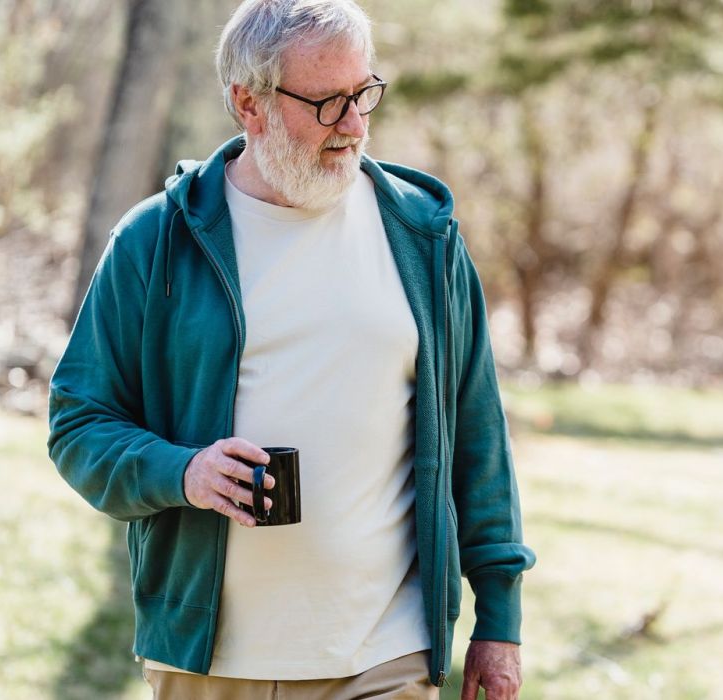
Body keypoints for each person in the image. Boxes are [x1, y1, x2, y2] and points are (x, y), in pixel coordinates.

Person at [47, 1, 533, 697]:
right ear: (250, 102)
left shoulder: (424, 238)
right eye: (328, 103)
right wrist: (183, 473)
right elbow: (78, 421)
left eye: (364, 94)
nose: (355, 126)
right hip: (210, 661)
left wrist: (500, 617)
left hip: (384, 652)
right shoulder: (156, 242)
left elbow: (477, 435)